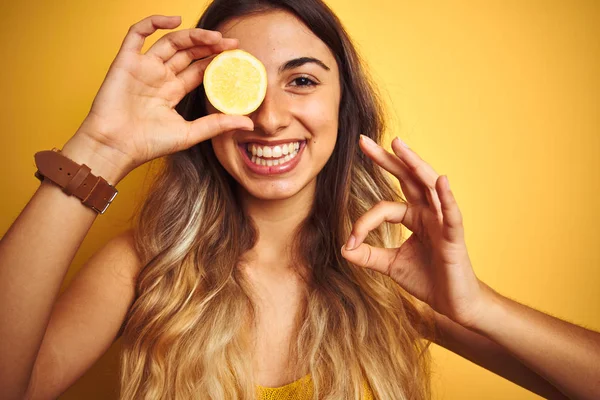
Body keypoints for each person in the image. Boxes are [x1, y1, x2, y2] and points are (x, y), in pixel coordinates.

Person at [0, 0, 598, 399]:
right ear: (204, 105)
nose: (268, 118)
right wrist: (100, 147)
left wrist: (475, 305)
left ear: (344, 101)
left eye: (302, 80)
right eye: (240, 84)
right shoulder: (143, 267)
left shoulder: (394, 275)